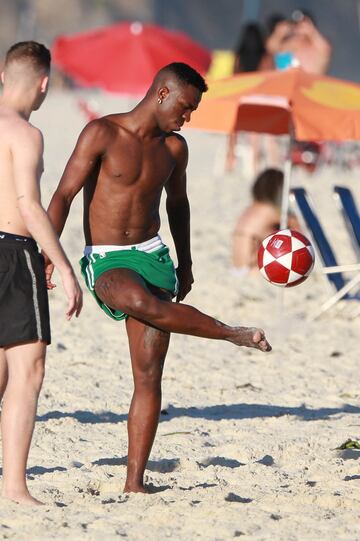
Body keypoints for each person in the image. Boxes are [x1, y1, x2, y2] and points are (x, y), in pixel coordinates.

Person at [45, 62, 271, 494]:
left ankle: (135, 482)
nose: (187, 119)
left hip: (154, 255)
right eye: (185, 108)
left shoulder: (174, 150)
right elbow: (64, 194)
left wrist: (185, 264)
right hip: (108, 260)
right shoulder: (102, 133)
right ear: (163, 94)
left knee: (148, 374)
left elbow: (178, 207)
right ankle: (231, 333)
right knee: (144, 303)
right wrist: (48, 253)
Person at [0, 41, 83, 505]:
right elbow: (28, 205)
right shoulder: (25, 134)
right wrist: (65, 266)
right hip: (12, 253)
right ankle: (13, 487)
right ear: (44, 83)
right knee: (27, 371)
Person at [232, 168, 300, 272]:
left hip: (236, 266)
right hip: (252, 268)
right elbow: (300, 229)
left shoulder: (251, 209)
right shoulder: (271, 211)